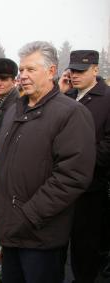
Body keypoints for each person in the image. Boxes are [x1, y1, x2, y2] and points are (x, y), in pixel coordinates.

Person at [0, 41, 96, 283]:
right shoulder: (14, 110)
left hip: (40, 235)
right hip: (9, 229)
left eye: (30, 70)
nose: (23, 76)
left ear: (51, 71)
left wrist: (28, 217)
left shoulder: (71, 113)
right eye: (21, 70)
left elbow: (72, 177)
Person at [61, 50, 110, 283]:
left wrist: (79, 163)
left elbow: (108, 145)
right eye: (72, 70)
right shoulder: (68, 96)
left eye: (81, 71)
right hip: (61, 183)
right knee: (61, 240)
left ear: (95, 70)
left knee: (84, 245)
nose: (75, 75)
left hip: (89, 186)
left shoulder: (107, 99)